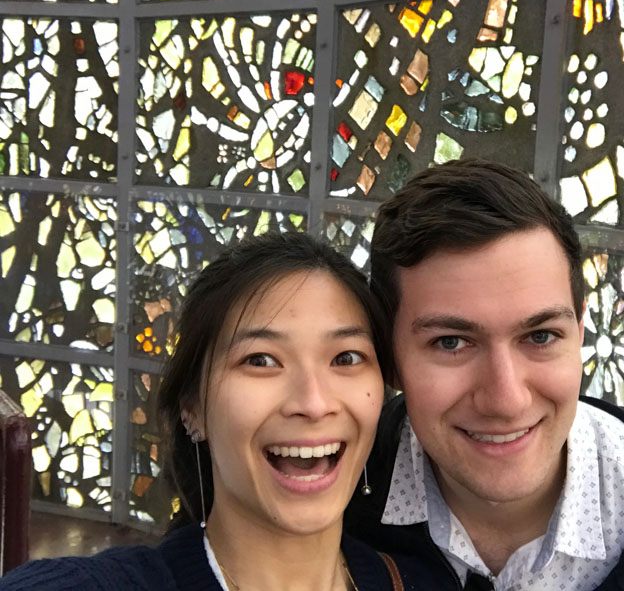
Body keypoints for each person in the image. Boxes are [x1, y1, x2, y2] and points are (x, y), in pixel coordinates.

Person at [344, 159, 624, 591]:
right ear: (389, 358)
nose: (507, 400)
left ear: (580, 333)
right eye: (451, 342)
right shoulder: (334, 491)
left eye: (541, 336)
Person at [3, 232, 452, 591]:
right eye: (260, 360)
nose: (314, 403)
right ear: (192, 409)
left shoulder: (426, 582)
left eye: (346, 357)